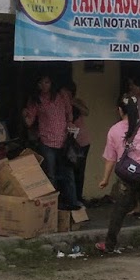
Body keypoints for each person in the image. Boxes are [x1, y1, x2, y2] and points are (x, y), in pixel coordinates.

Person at [96, 94, 140, 257]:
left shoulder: (114, 130)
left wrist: (105, 179)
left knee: (119, 211)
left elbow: (110, 159)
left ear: (120, 110)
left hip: (127, 177)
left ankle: (109, 245)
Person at [22, 74, 82, 211]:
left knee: (68, 173)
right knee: (51, 175)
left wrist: (70, 122)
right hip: (47, 141)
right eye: (41, 83)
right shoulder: (36, 100)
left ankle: (72, 203)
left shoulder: (62, 95)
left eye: (46, 82)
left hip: (64, 141)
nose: (44, 86)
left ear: (52, 83)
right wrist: (24, 114)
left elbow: (69, 112)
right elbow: (29, 122)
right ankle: (53, 205)